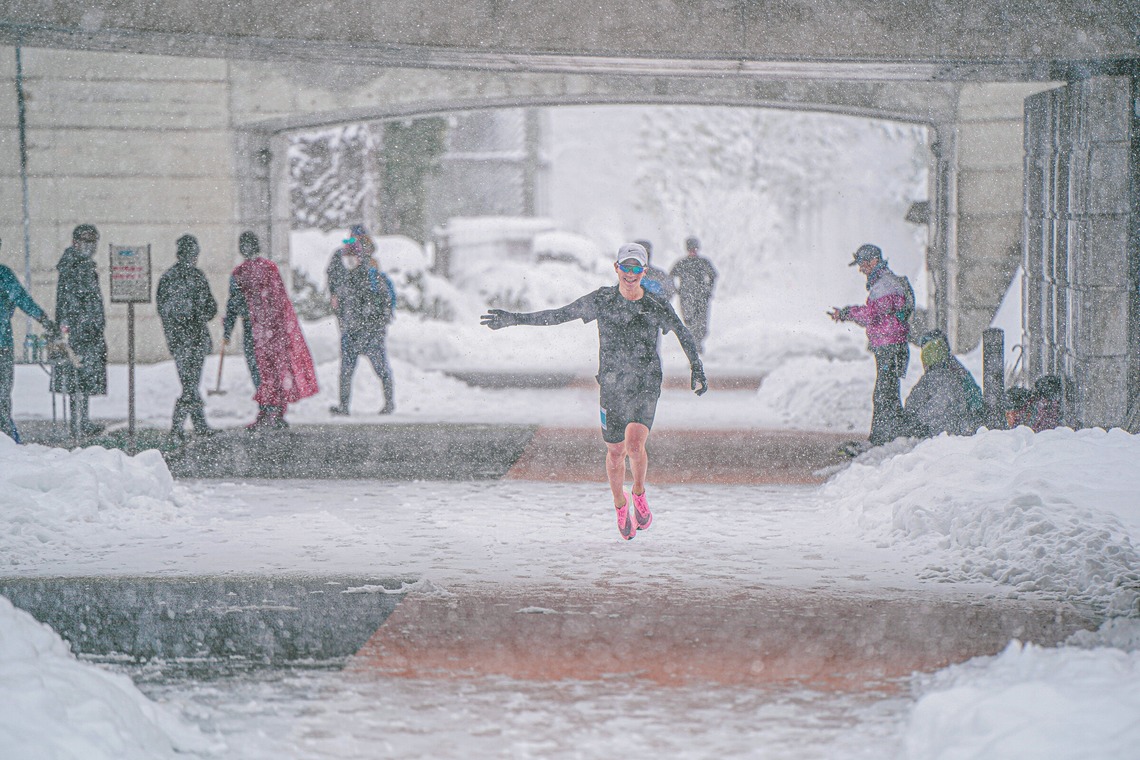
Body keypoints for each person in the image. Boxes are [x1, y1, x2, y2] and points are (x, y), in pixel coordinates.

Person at [481, 242, 707, 541]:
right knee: (615, 452)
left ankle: (638, 493)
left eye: (635, 268)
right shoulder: (602, 300)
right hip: (612, 385)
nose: (630, 274)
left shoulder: (655, 304)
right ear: (616, 269)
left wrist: (697, 367)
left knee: (636, 446)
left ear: (644, 271)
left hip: (645, 383)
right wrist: (516, 319)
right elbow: (560, 315)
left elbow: (683, 332)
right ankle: (620, 506)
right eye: (625, 267)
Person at [222, 231, 318, 430]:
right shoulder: (269, 268)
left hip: (253, 329)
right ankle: (278, 411)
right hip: (273, 330)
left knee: (259, 371)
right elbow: (280, 300)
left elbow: (234, 303)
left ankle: (266, 409)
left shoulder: (239, 273)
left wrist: (228, 330)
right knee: (275, 369)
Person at [828, 243, 912, 446]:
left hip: (889, 345)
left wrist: (847, 313)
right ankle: (890, 435)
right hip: (891, 343)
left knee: (885, 393)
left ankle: (883, 437)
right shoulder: (884, 283)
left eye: (863, 264)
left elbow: (871, 314)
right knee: (887, 391)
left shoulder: (884, 285)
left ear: (874, 261)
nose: (861, 269)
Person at [327, 225, 396, 416]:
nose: (348, 261)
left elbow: (382, 304)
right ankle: (344, 405)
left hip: (369, 332)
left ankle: (389, 403)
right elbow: (341, 304)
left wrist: (372, 324)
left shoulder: (371, 277)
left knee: (380, 368)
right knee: (346, 370)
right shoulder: (346, 278)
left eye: (351, 258)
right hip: (352, 331)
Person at [156, 234, 218, 440]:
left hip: (185, 339)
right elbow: (210, 308)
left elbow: (210, 306)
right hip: (189, 338)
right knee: (190, 384)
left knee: (190, 383)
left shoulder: (173, 278)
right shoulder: (186, 278)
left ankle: (194, 426)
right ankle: (178, 427)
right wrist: (195, 315)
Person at [50, 224, 107, 439]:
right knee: (77, 378)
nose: (90, 245)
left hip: (87, 331)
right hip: (79, 333)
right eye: (86, 240)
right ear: (76, 242)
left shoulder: (83, 265)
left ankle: (82, 421)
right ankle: (78, 425)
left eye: (93, 241)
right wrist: (81, 327)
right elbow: (70, 302)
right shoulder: (75, 266)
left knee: (84, 378)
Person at [1, 241, 57, 441]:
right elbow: (23, 299)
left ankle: (5, 436)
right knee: (2, 397)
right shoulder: (3, 275)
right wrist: (43, 319)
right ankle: (5, 436)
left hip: (3, 345)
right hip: (2, 346)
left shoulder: (4, 276)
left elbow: (22, 298)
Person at [903, 330, 985, 437]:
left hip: (949, 433)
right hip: (965, 425)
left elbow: (937, 404)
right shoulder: (954, 369)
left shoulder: (940, 376)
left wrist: (916, 421)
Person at [669, 236, 718, 350]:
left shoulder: (702, 262)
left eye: (694, 249)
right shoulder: (682, 263)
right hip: (687, 297)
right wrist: (677, 290)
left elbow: (713, 276)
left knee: (701, 321)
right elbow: (670, 277)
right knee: (689, 320)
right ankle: (693, 343)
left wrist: (708, 289)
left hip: (700, 296)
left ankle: (697, 342)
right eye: (691, 249)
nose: (693, 251)